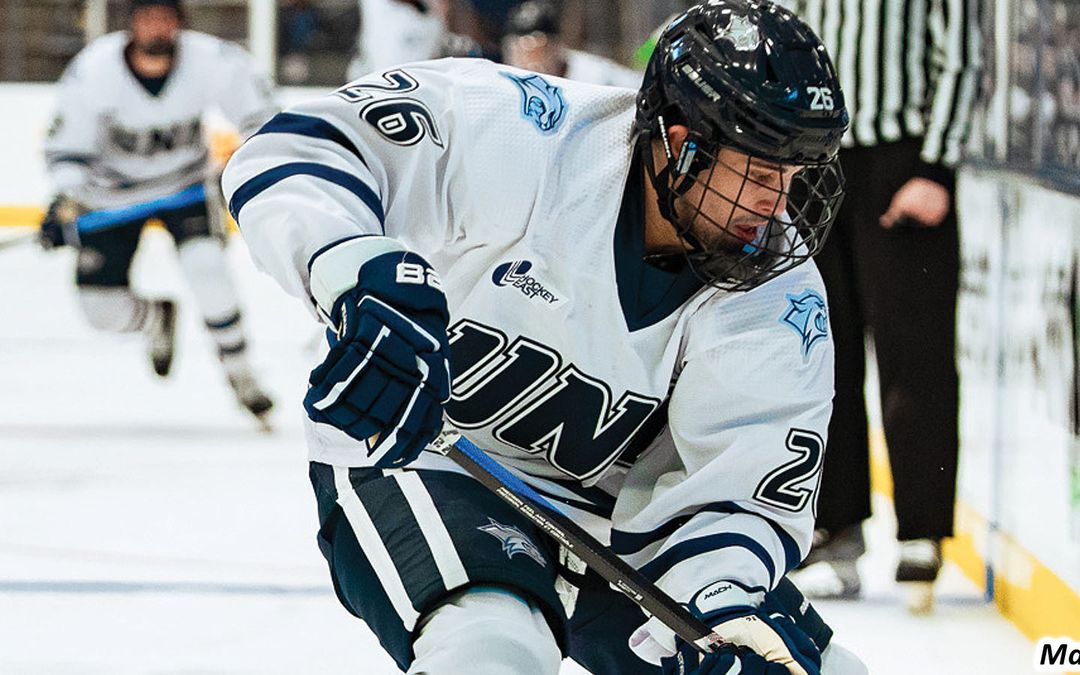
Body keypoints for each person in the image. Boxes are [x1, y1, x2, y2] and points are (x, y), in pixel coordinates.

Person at [224, 1, 867, 672]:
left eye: (794, 177)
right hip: (426, 451)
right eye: (761, 173)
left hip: (612, 525)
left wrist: (719, 604)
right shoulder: (521, 133)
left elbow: (732, 491)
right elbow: (295, 149)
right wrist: (358, 273)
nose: (777, 204)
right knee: (493, 647)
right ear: (681, 141)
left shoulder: (781, 295)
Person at [785, 0, 980, 613]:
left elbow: (964, 60)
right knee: (821, 353)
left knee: (914, 355)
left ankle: (922, 528)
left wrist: (936, 167)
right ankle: (835, 528)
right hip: (814, 163)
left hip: (902, 162)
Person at [40, 0, 277, 425]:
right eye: (147, 17)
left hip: (185, 188)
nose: (157, 27)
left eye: (166, 17)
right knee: (101, 312)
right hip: (109, 196)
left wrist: (242, 165)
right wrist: (68, 202)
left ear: (180, 23)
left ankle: (242, 376)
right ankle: (156, 318)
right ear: (131, 25)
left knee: (209, 272)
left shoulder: (212, 60)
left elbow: (264, 120)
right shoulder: (94, 70)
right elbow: (66, 150)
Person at [501, 0, 642, 88]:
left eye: (539, 49)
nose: (530, 60)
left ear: (557, 48)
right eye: (520, 51)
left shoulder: (596, 77)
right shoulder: (503, 83)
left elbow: (640, 87)